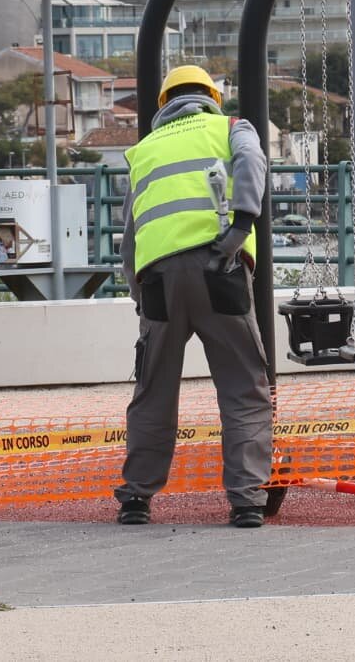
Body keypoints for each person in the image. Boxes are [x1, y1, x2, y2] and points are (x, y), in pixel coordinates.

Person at [114, 64, 274, 529]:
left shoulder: (145, 150)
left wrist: (140, 297)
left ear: (164, 104)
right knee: (243, 385)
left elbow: (131, 235)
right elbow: (252, 160)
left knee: (153, 390)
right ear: (211, 98)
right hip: (219, 267)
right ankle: (246, 500)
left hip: (158, 280)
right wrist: (242, 223)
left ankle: (136, 497)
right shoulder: (231, 127)